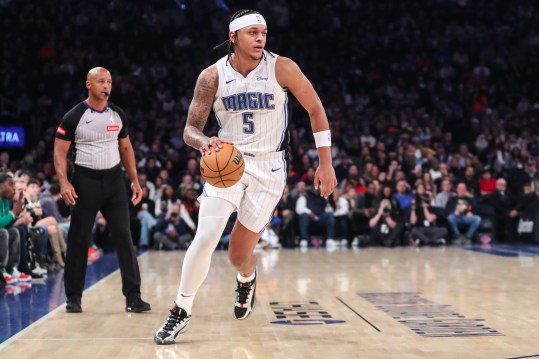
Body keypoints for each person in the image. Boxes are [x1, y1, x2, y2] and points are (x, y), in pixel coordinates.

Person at [154, 9, 337, 344]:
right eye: (252, 32)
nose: (260, 39)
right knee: (207, 236)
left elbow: (315, 108)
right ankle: (180, 310)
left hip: (269, 168)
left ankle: (247, 277)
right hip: (228, 164)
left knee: (238, 254)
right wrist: (204, 141)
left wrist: (325, 162)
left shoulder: (282, 67)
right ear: (233, 37)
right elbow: (190, 130)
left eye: (263, 33)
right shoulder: (212, 76)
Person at [53, 67, 150, 313]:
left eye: (109, 81)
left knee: (124, 237)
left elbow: (126, 149)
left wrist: (134, 181)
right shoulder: (74, 116)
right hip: (85, 182)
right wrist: (64, 182)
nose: (106, 86)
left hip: (115, 181)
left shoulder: (117, 114)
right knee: (79, 239)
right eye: (101, 81)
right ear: (88, 84)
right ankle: (73, 297)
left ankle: (133, 297)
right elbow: (59, 151)